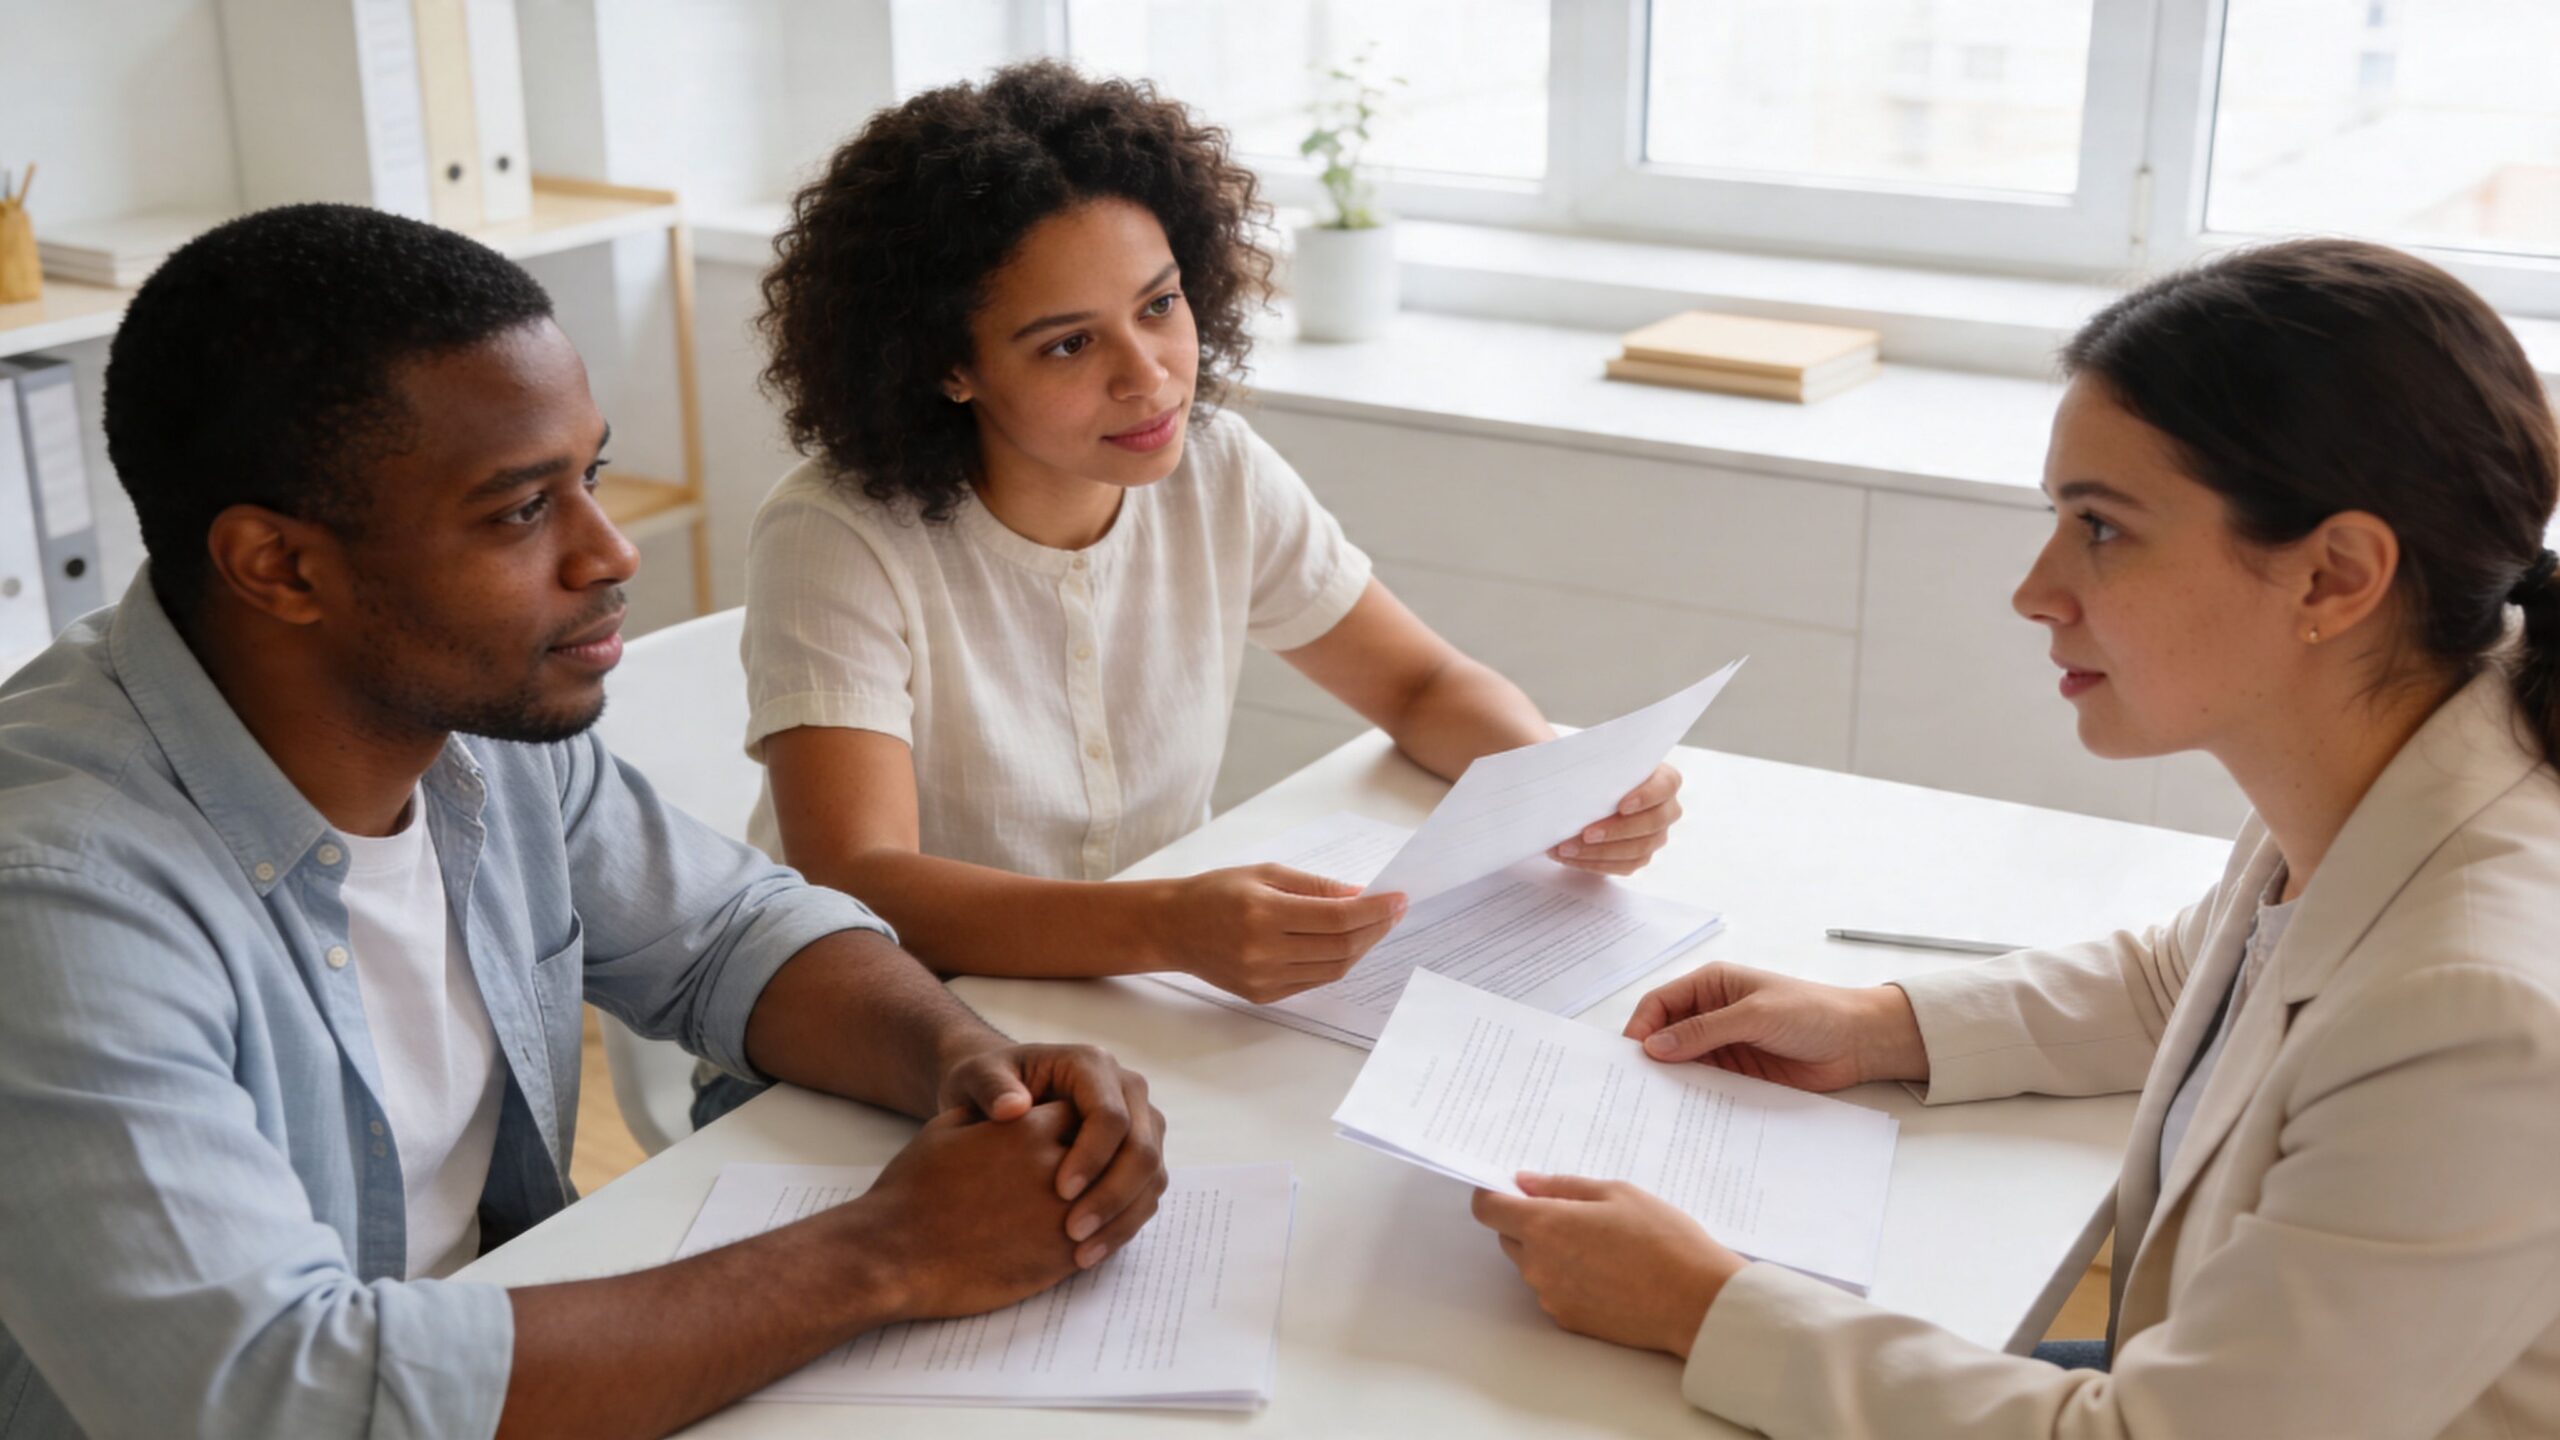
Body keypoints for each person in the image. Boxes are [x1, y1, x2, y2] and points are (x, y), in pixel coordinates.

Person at [0, 204, 1169, 1440]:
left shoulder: (472, 726)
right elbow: (274, 1396)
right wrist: (885, 1253)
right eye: (519, 511)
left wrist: (967, 1063)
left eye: (592, 477)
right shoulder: (58, 897)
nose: (610, 553)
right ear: (279, 568)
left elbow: (730, 935)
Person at [1470, 238, 2560, 1437]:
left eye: (2101, 528)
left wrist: (1703, 1304)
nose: (2036, 589)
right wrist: (1877, 1024)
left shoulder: (2476, 1010)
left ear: (2332, 576)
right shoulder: (2409, 745)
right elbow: (2185, 980)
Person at [724, 60, 1683, 1113]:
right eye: (1069, 343)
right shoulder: (838, 537)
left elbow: (1418, 685)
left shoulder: (1215, 467)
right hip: (884, 1053)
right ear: (948, 366)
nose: (1149, 375)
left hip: (1131, 1017)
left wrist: (1553, 784)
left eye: (1159, 304)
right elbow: (859, 877)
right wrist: (1166, 926)